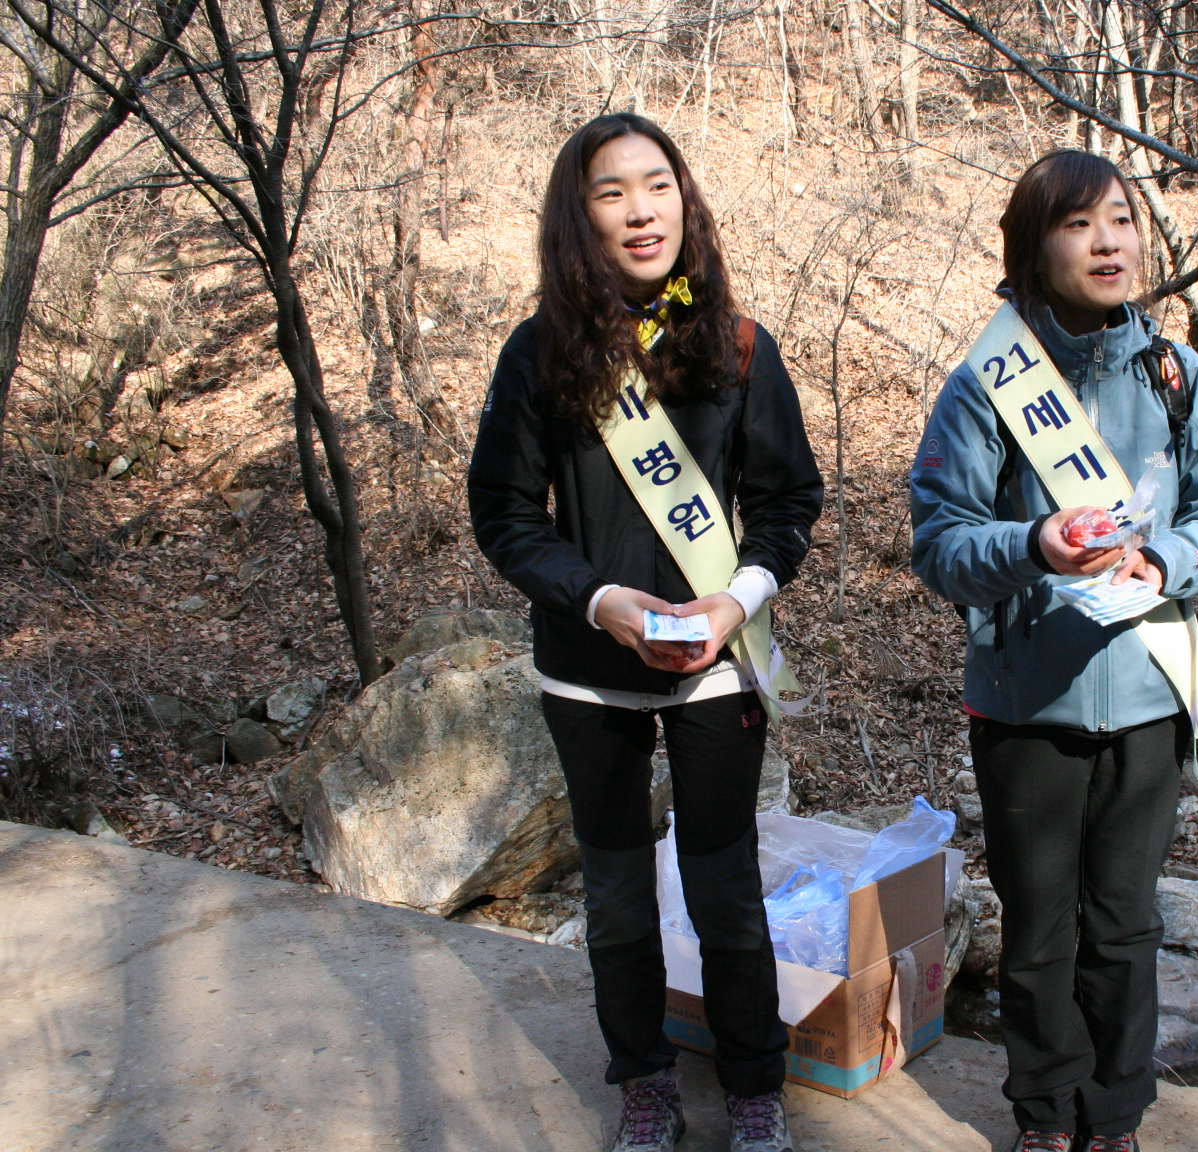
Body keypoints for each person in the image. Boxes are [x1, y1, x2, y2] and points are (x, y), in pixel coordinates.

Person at [469, 113, 820, 1152]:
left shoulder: (736, 345)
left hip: (717, 668)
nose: (640, 210)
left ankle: (754, 1089)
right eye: (611, 191)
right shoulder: (540, 354)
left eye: (657, 184)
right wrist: (598, 601)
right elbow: (505, 514)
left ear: (685, 198)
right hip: (589, 672)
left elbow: (788, 502)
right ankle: (645, 1082)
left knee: (726, 891)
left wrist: (736, 601)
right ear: (578, 217)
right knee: (618, 897)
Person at [909, 150, 1198, 1152]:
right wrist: (1034, 544)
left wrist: (1166, 562)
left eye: (1120, 219)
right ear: (1032, 248)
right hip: (1026, 703)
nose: (1108, 243)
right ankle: (1042, 1117)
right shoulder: (989, 388)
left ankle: (1112, 1121)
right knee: (1037, 930)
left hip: (1147, 697)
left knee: (1124, 928)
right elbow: (940, 544)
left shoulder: (1175, 378)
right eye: (1078, 224)